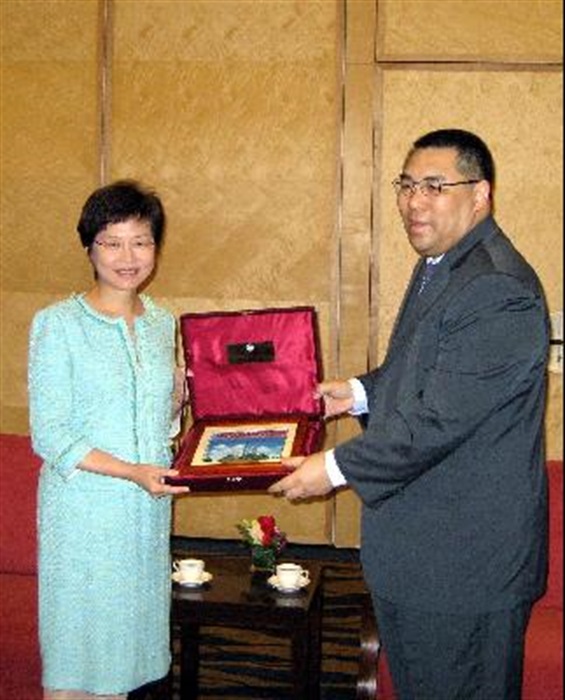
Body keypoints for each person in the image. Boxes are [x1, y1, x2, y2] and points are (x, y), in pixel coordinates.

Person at [270, 129, 550, 699]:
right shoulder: (446, 264)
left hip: (464, 568)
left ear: (480, 195)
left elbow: (439, 420)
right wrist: (360, 392)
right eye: (406, 185)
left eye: (434, 186)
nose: (414, 201)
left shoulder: (496, 286)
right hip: (423, 557)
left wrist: (333, 467)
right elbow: (432, 374)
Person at [28, 180, 190, 700]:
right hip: (84, 514)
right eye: (111, 241)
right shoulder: (58, 324)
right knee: (79, 657)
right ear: (89, 248)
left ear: (155, 249)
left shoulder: (163, 324)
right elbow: (51, 434)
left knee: (126, 659)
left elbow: (157, 429)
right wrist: (131, 473)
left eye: (141, 241)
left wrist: (177, 404)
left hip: (144, 516)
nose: (128, 256)